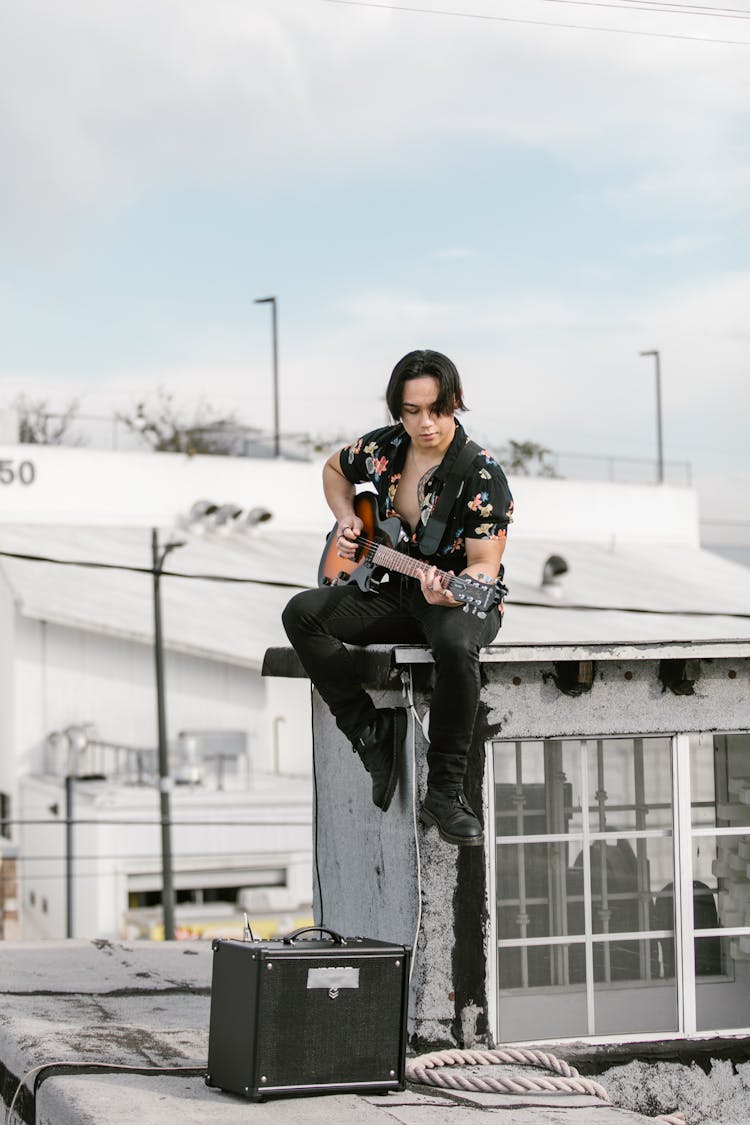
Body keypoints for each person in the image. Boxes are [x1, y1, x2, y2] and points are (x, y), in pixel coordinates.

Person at [282, 349, 513, 846]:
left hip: (456, 599)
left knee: (454, 646)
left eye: (437, 409)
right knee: (302, 613)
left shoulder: (482, 475)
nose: (425, 423)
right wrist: (347, 518)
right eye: (412, 411)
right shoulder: (384, 448)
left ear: (456, 402)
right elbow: (333, 469)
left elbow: (484, 567)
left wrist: (454, 589)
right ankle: (370, 734)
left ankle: (446, 793)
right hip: (394, 591)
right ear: (398, 410)